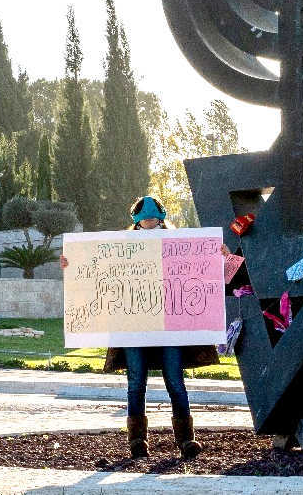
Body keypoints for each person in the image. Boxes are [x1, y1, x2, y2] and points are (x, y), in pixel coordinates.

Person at [60, 195, 224, 459]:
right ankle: (137, 440)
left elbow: (206, 270)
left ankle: (186, 440)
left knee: (175, 380)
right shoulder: (122, 246)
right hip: (133, 326)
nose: (148, 219)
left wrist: (220, 256)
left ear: (161, 218)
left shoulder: (179, 244)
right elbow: (95, 270)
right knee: (136, 382)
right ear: (136, 220)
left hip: (170, 326)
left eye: (153, 215)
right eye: (143, 216)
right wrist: (70, 264)